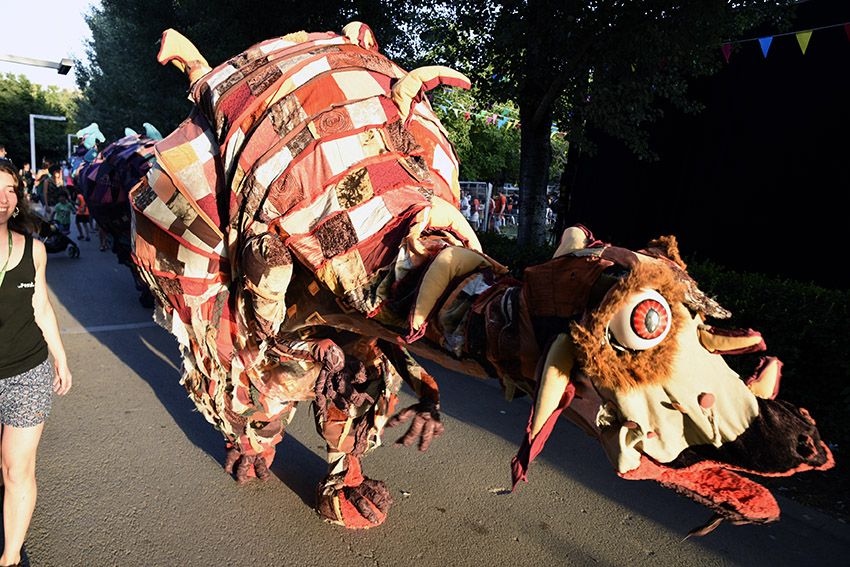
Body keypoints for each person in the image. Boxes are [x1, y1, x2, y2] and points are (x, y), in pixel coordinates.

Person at [0, 161, 72, 567]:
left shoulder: (33, 250)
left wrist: (60, 358)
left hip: (27, 371)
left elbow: (41, 307)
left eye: (10, 189)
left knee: (17, 468)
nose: (3, 198)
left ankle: (10, 557)